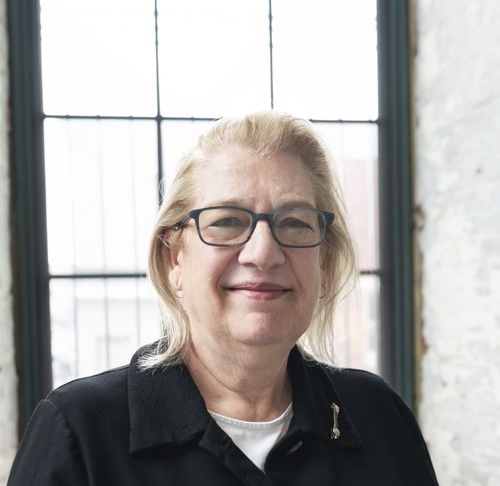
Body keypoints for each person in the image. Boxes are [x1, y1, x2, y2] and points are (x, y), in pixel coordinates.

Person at [8, 111, 438, 485]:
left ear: (323, 263)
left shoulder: (379, 416)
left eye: (294, 223)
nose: (263, 253)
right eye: (228, 221)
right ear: (175, 258)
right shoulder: (79, 432)